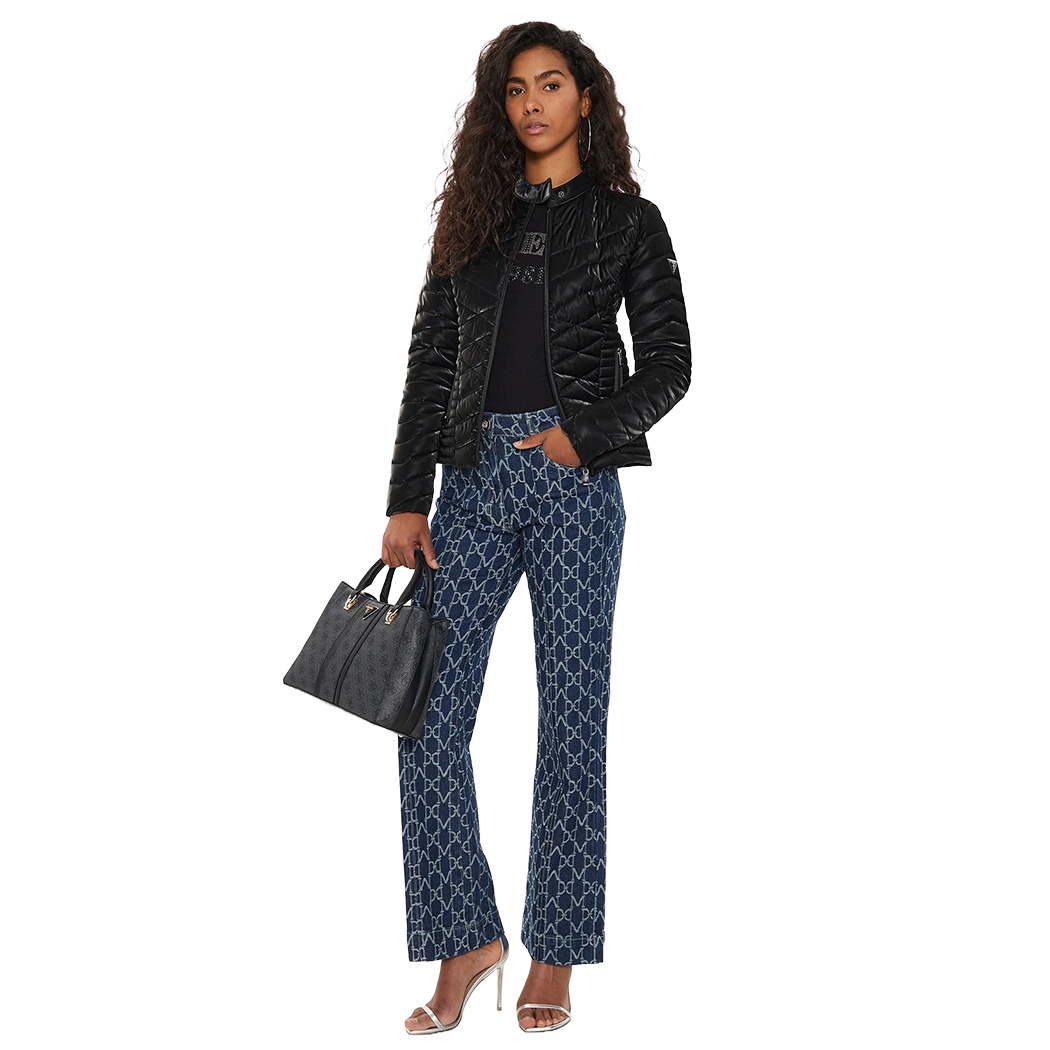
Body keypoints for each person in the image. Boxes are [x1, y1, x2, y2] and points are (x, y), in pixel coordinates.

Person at [382, 22, 691, 1035]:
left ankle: (554, 951)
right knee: (426, 716)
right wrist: (406, 498)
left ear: (585, 99)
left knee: (571, 720)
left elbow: (671, 365)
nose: (533, 104)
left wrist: (580, 438)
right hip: (468, 486)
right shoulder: (469, 224)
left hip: (573, 483)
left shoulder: (627, 222)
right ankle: (466, 938)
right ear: (499, 108)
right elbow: (430, 368)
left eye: (551, 85)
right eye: (516, 90)